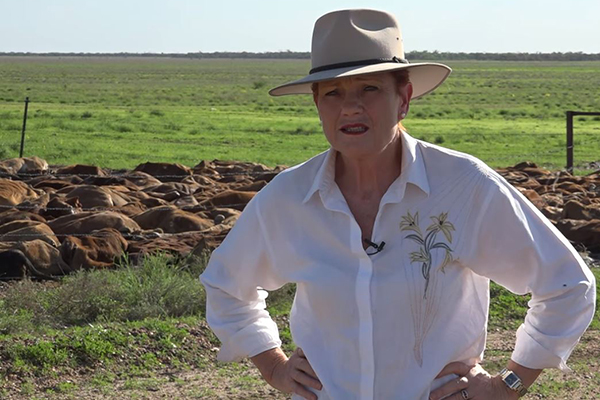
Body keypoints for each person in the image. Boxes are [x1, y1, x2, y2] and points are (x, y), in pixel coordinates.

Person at [200, 9, 596, 400]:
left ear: (403, 98)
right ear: (317, 104)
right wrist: (274, 367)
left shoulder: (462, 186)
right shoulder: (290, 197)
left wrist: (506, 386)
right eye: (334, 93)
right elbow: (226, 285)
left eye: (369, 89)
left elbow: (567, 285)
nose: (351, 107)